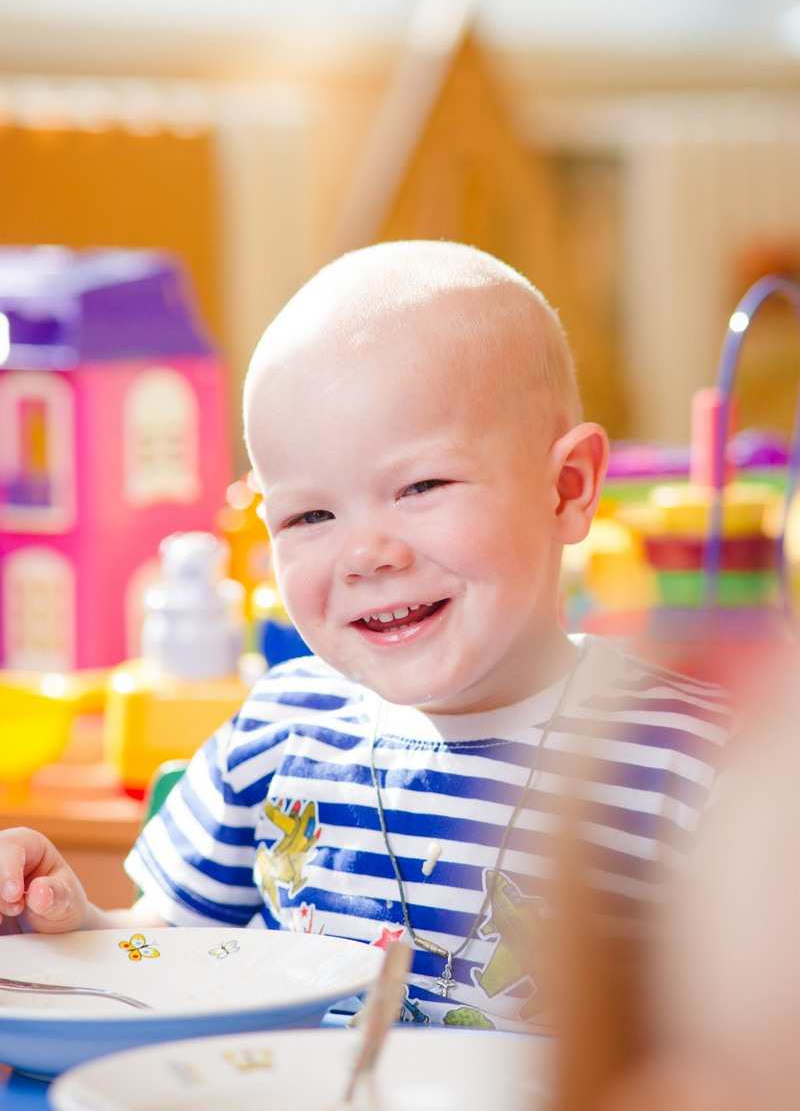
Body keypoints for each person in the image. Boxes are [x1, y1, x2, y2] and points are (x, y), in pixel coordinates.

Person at [0, 240, 730, 1031]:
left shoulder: (699, 763)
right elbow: (167, 962)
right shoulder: (276, 731)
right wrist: (68, 929)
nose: (365, 553)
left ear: (568, 488)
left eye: (421, 486)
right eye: (311, 515)